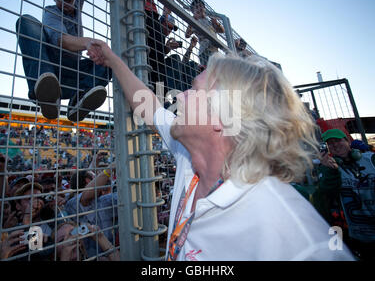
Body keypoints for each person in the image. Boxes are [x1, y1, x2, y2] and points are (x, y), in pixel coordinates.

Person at [87, 41, 354, 260]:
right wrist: (111, 59)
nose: (179, 96)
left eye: (192, 90)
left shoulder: (299, 244)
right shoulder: (189, 156)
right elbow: (150, 106)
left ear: (221, 115)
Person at [15, 0, 111, 122]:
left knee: (109, 57)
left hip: (74, 74)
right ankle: (46, 95)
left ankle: (79, 99)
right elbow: (62, 41)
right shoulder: (50, 13)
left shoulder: (76, 3)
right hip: (51, 70)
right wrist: (88, 42)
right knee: (26, 21)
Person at [313, 129, 375, 260]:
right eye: (330, 143)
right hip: (356, 234)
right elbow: (327, 191)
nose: (335, 145)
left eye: (338, 140)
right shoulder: (329, 167)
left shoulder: (370, 159)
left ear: (347, 141)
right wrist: (330, 170)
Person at [185, 0, 224, 67]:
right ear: (193, 12)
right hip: (205, 50)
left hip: (214, 49)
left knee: (218, 69)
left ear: (204, 8)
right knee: (210, 69)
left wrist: (217, 24)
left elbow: (222, 31)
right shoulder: (195, 22)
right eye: (196, 7)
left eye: (201, 6)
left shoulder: (209, 21)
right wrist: (191, 21)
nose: (199, 8)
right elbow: (187, 35)